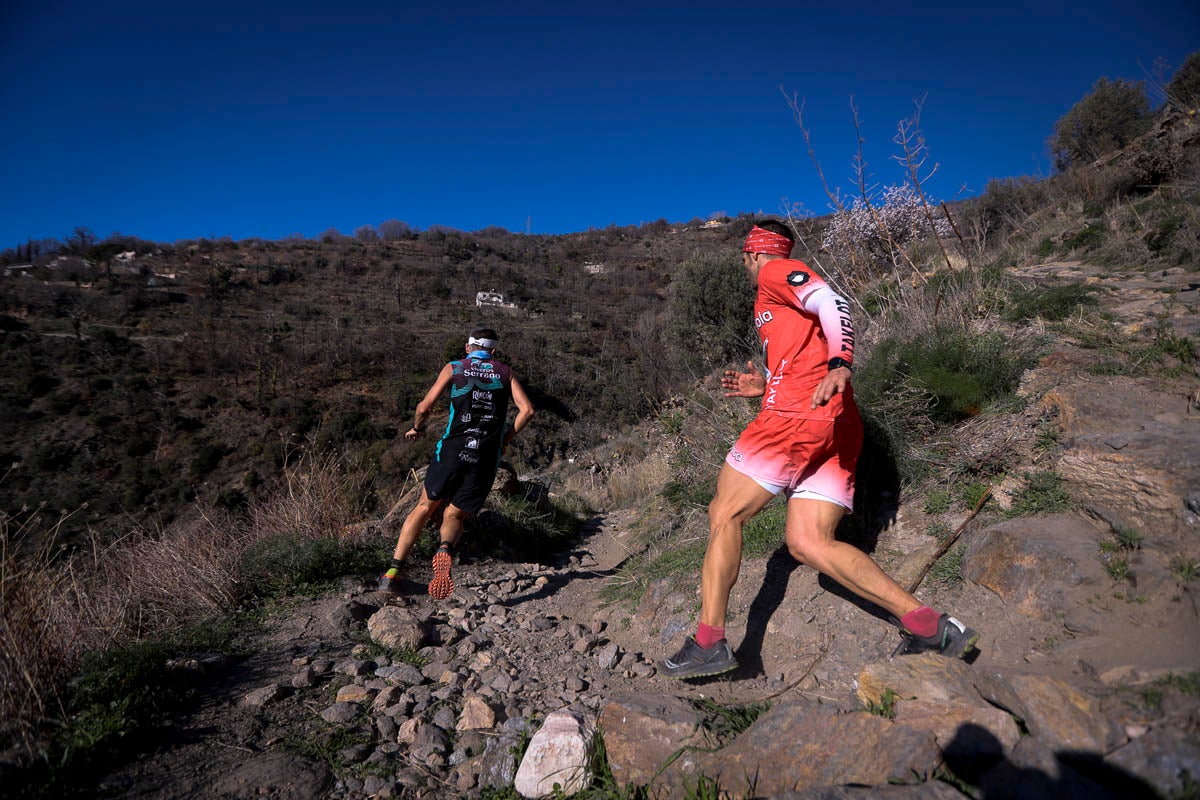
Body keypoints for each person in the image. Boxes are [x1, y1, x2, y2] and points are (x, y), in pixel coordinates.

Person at [660, 220, 978, 679]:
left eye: (745, 259)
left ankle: (709, 641)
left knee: (725, 513)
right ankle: (932, 627)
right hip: (836, 424)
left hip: (797, 417)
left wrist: (841, 361)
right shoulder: (778, 300)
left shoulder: (775, 274)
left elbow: (833, 301)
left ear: (752, 254)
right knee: (809, 542)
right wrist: (765, 385)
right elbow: (803, 351)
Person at [378, 327, 535, 599]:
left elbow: (424, 407)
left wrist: (417, 428)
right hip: (485, 457)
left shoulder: (455, 367)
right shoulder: (505, 372)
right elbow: (528, 410)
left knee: (425, 507)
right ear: (493, 352)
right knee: (454, 515)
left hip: (451, 451)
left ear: (468, 347)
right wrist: (505, 439)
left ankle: (392, 573)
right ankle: (445, 548)